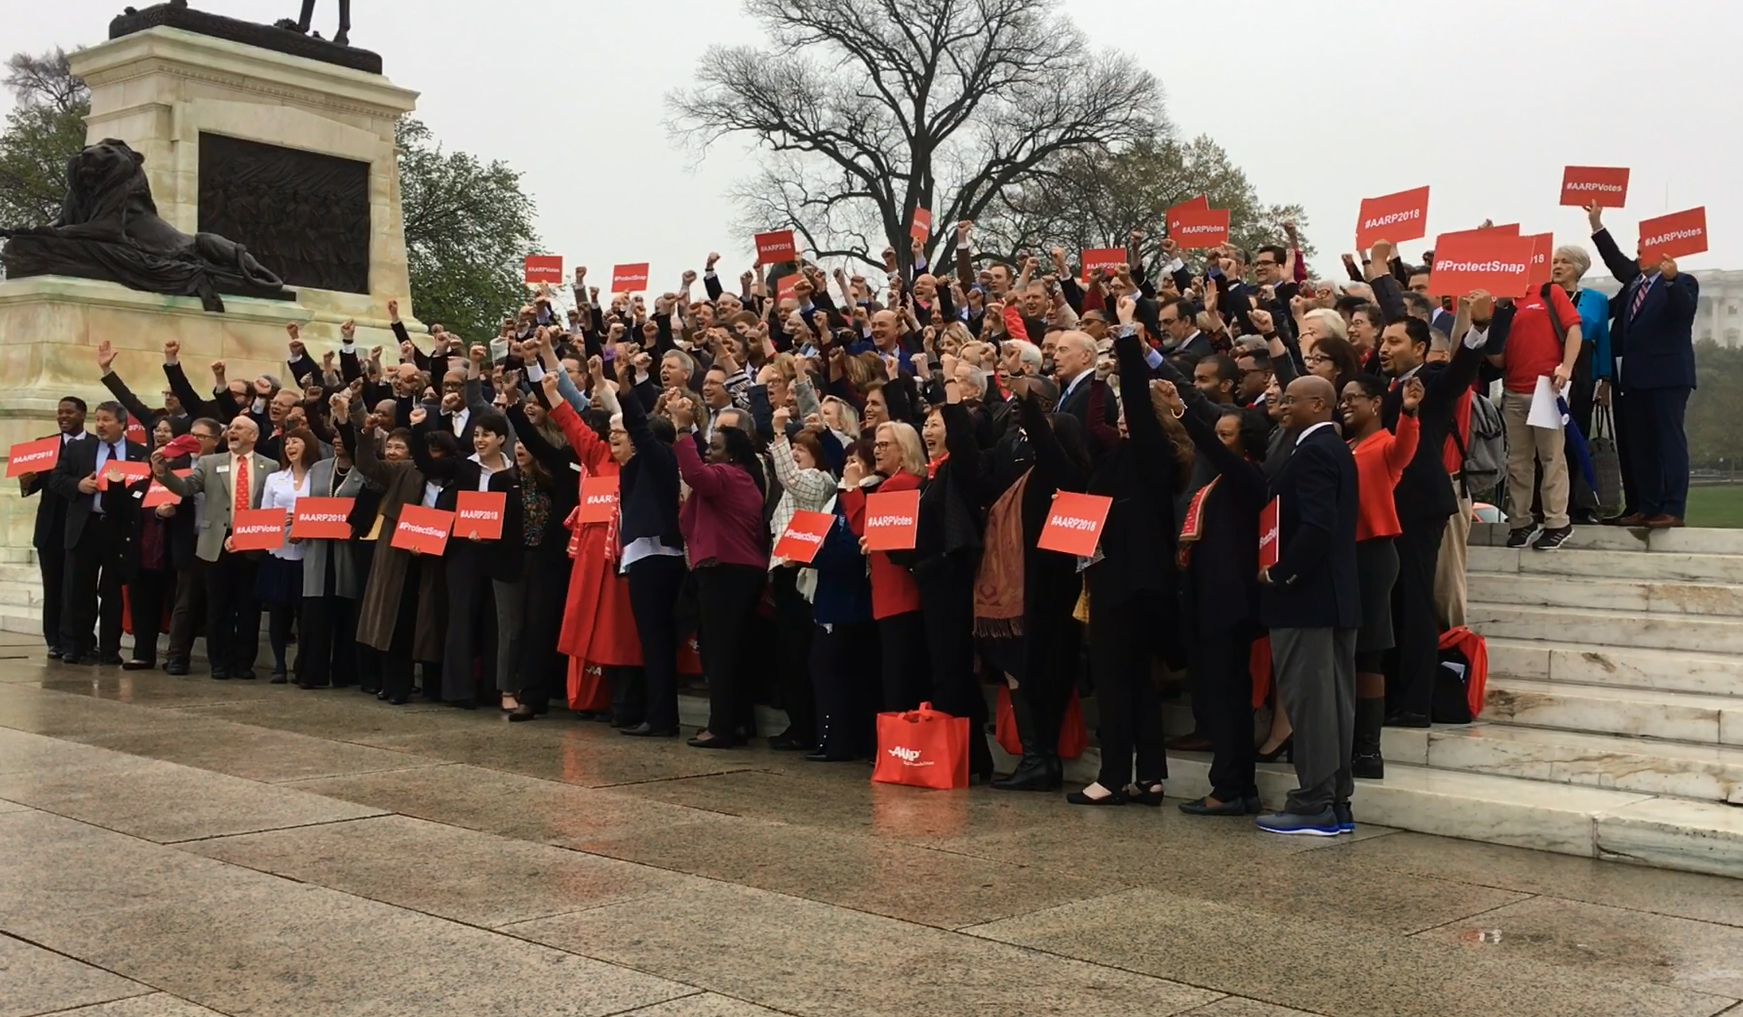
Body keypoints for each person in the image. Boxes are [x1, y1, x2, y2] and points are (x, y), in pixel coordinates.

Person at [1065, 301, 1192, 806]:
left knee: (1120, 680)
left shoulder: (1154, 457)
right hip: (1116, 579)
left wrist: (1124, 333)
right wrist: (1098, 380)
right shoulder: (1119, 456)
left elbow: (1135, 400)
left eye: (1129, 416)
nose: (1120, 421)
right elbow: (1096, 422)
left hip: (1133, 584)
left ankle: (1114, 776)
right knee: (1135, 682)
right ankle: (1151, 776)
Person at [1255, 376, 1360, 837]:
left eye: (1291, 400)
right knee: (1333, 703)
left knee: (1312, 703)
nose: (1281, 406)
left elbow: (1317, 526)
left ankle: (1314, 801)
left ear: (1319, 404)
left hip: (1308, 598)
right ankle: (1335, 801)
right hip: (1331, 597)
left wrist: (1280, 573)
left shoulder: (1316, 450)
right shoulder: (1332, 448)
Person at [667, 394, 770, 748]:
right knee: (733, 651)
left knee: (720, 653)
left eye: (714, 446)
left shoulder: (725, 476)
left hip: (725, 572)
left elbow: (694, 472)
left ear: (731, 453)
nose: (708, 451)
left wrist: (681, 428)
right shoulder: (742, 478)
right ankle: (738, 723)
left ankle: (720, 727)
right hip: (740, 572)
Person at [1589, 202, 1699, 528]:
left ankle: (1672, 508)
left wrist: (1671, 280)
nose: (1638, 255)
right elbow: (1616, 260)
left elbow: (1683, 312)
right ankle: (1647, 506)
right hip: (1634, 379)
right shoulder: (1635, 284)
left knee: (1669, 442)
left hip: (1667, 377)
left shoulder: (1683, 283)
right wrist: (1597, 225)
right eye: (1637, 249)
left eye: (1643, 250)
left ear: (1665, 256)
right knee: (1641, 446)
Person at [334, 395, 445, 704]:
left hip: (435, 557)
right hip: (398, 555)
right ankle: (395, 684)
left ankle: (433, 688)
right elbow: (366, 463)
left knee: (425, 624)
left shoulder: (450, 473)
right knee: (394, 621)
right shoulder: (402, 470)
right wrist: (364, 430)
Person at [153, 414, 277, 679]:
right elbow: (186, 488)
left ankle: (244, 663)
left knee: (248, 606)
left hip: (251, 540)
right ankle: (219, 662)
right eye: (230, 427)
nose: (232, 431)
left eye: (240, 428)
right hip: (215, 542)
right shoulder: (210, 463)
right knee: (218, 605)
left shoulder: (271, 466)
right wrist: (163, 473)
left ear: (253, 436)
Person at [1340, 375, 1422, 778]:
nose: (1345, 404)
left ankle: (1368, 750)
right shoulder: (1343, 446)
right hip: (1341, 554)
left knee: (1369, 650)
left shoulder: (1385, 444)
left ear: (1375, 403)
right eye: (1342, 398)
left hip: (1372, 553)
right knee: (1346, 649)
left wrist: (1408, 411)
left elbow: (1406, 447)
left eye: (1353, 398)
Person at [50, 401, 149, 665]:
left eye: (106, 420)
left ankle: (109, 648)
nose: (101, 425)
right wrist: (78, 485)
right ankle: (75, 645)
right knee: (78, 589)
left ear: (121, 424)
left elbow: (143, 490)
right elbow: (56, 479)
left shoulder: (138, 453)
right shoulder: (79, 448)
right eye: (98, 420)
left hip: (117, 530)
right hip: (85, 526)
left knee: (113, 592)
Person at [843, 420, 931, 712]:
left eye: (884, 445)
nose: (876, 451)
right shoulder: (910, 482)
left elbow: (862, 526)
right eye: (876, 444)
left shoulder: (896, 485)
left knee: (898, 675)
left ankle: (898, 746)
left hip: (896, 592)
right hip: (902, 591)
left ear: (904, 450)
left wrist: (852, 487)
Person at [1491, 276, 1583, 550]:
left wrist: (1566, 367)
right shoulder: (1502, 303)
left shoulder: (1547, 292)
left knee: (1551, 457)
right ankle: (1520, 521)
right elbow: (1496, 355)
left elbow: (1574, 329)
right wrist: (1499, 310)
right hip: (1514, 389)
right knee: (1518, 461)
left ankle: (1557, 521)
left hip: (1547, 388)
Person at [20, 397, 89, 661]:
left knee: (78, 587)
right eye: (59, 412)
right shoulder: (44, 446)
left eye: (69, 412)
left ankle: (80, 639)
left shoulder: (93, 445)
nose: (63, 416)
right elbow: (32, 487)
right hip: (51, 527)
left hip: (80, 524)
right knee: (54, 586)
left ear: (82, 415)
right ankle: (54, 640)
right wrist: (26, 482)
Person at [297, 426, 365, 690]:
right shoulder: (320, 468)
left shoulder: (364, 470)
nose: (337, 441)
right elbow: (308, 504)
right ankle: (312, 673)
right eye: (335, 437)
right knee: (315, 612)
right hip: (317, 550)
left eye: (342, 437)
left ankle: (345, 673)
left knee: (345, 610)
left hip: (347, 550)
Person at [125, 414, 192, 671]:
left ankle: (176, 656)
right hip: (144, 553)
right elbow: (130, 513)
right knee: (143, 603)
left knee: (176, 604)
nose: (161, 435)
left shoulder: (189, 476)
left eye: (167, 430)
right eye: (158, 430)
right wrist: (154, 513)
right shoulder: (142, 481)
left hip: (175, 552)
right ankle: (143, 653)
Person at [259, 426, 319, 683]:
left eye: (296, 442)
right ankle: (279, 665)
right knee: (277, 611)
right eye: (287, 443)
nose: (291, 447)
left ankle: (301, 662)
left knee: (304, 613)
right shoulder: (275, 478)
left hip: (308, 552)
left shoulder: (318, 477)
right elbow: (264, 513)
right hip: (278, 550)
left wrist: (303, 524)